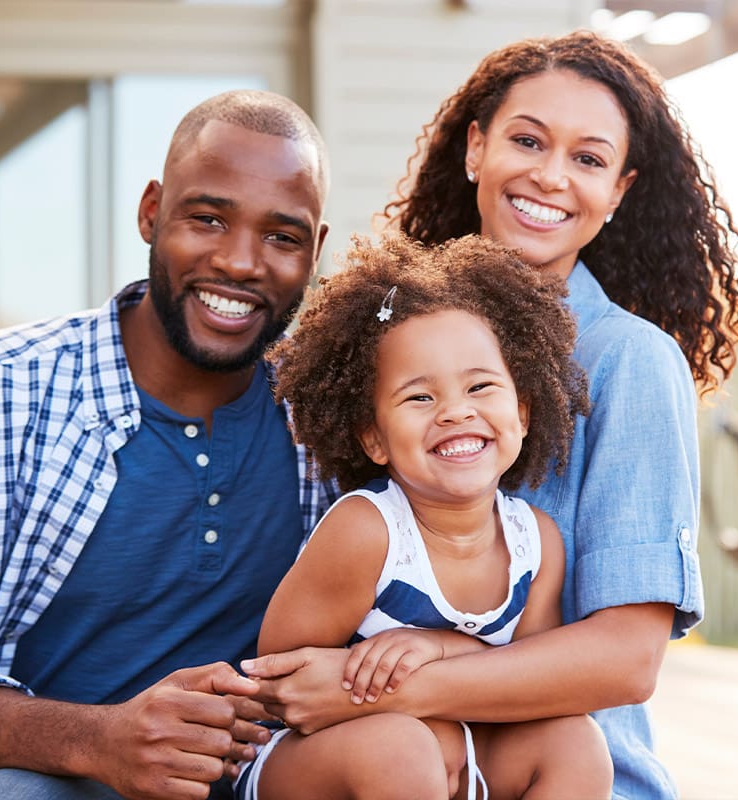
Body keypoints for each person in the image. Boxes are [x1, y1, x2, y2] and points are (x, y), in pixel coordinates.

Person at [243, 30, 738, 799]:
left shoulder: (629, 362)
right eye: (527, 140)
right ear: (476, 148)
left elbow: (626, 658)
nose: (551, 177)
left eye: (588, 159)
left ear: (618, 190)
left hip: (564, 771)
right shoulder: (389, 333)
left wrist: (388, 681)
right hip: (380, 763)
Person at [0, 89, 336, 800]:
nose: (242, 262)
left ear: (316, 251)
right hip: (51, 777)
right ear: (151, 211)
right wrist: (102, 741)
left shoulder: (331, 421)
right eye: (208, 218)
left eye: (282, 237)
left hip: (258, 779)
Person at [233, 233, 609, 800]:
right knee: (401, 750)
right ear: (374, 438)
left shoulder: (537, 543)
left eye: (481, 386)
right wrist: (398, 703)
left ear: (523, 412)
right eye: (419, 398)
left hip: (462, 757)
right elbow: (281, 681)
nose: (457, 411)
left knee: (575, 741)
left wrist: (440, 649)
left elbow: (530, 684)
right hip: (319, 765)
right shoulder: (368, 532)